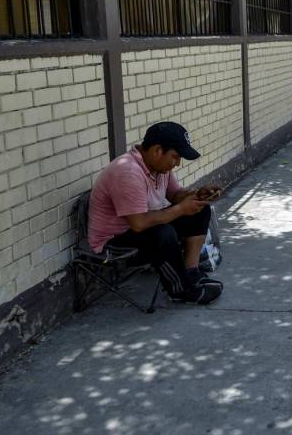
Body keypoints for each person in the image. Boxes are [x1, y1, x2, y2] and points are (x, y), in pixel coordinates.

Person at [88, 121, 223, 305]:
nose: (177, 163)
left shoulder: (159, 167)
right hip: (113, 240)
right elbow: (139, 223)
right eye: (175, 157)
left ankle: (190, 273)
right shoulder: (128, 171)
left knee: (199, 210)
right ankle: (180, 290)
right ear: (157, 150)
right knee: (164, 233)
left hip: (139, 226)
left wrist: (197, 195)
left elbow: (175, 195)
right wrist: (181, 208)